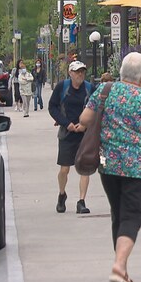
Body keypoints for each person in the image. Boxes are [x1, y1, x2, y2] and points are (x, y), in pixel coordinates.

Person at [79, 52, 141, 282]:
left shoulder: (105, 90)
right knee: (131, 215)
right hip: (135, 166)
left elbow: (85, 118)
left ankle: (123, 269)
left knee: (118, 214)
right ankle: (119, 265)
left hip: (107, 164)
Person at [48, 60, 94, 214]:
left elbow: (96, 108)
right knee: (64, 169)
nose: (80, 74)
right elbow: (52, 107)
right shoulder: (62, 87)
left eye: (82, 71)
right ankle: (62, 194)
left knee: (84, 169)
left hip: (84, 134)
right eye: (77, 72)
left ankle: (81, 201)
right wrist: (66, 123)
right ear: (70, 73)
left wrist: (85, 125)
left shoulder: (89, 88)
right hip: (67, 133)